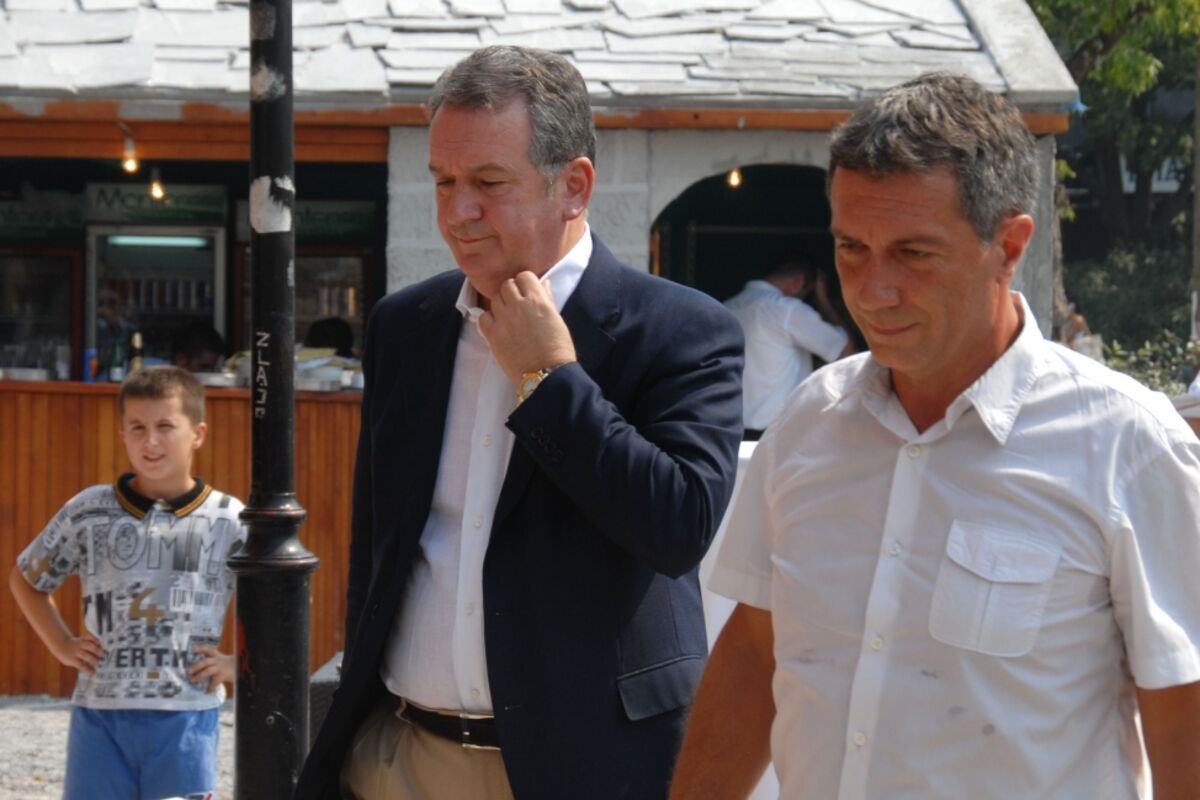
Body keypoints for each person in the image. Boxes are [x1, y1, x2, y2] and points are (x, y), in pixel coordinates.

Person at [671, 72, 1200, 799]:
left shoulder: (1127, 446)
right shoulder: (808, 422)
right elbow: (756, 654)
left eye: (914, 254)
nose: (872, 289)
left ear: (1009, 246)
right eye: (851, 248)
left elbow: (1184, 717)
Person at [297, 45, 744, 800]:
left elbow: (677, 528)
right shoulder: (405, 325)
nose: (457, 211)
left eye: (489, 182)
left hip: (587, 772)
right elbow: (381, 541)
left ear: (575, 186)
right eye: (444, 181)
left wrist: (550, 379)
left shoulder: (682, 330)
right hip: (400, 757)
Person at [8, 366, 246, 799]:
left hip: (187, 715)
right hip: (99, 716)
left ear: (198, 433)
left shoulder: (230, 519)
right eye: (137, 427)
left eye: (165, 426)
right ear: (122, 435)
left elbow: (282, 601)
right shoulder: (87, 510)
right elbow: (26, 579)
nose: (150, 440)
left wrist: (241, 662)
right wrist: (62, 645)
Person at [724, 254, 853, 438]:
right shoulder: (787, 309)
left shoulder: (728, 307)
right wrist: (824, 302)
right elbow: (846, 351)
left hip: (732, 433)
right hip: (777, 435)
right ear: (799, 281)